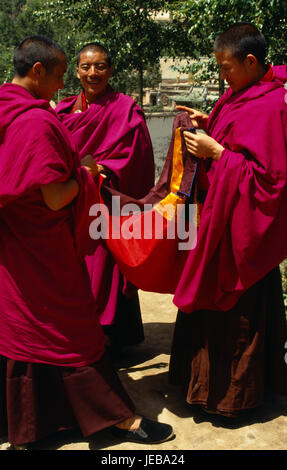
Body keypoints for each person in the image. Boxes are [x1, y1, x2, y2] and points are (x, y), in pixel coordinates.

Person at [0, 35, 173, 449]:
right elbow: (56, 195)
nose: (64, 85)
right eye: (62, 74)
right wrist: (87, 175)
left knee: (21, 327)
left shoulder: (6, 109)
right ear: (38, 71)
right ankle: (120, 419)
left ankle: (25, 422)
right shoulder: (37, 120)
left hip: (12, 246)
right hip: (45, 246)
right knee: (74, 329)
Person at [169, 23, 287, 417]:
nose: (222, 75)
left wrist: (217, 152)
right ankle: (201, 387)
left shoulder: (271, 105)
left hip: (242, 237)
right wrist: (211, 125)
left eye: (226, 68)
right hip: (218, 221)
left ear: (251, 61)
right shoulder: (241, 95)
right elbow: (239, 142)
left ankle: (233, 398)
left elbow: (271, 181)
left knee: (238, 315)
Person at [56, 43, 155, 357]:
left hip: (106, 203)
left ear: (111, 71)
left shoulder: (126, 109)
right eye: (86, 66)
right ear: (76, 71)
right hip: (71, 204)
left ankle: (109, 340)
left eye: (100, 66)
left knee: (104, 270)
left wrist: (104, 170)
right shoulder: (63, 110)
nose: (92, 73)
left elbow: (136, 159)